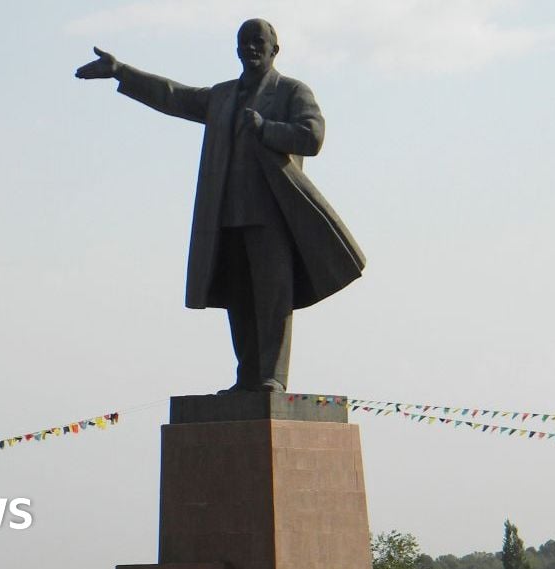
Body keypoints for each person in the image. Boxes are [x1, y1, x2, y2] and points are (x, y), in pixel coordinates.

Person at [75, 19, 364, 393]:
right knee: (239, 300)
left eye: (259, 42)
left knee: (273, 300)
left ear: (275, 50)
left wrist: (266, 128)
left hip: (273, 215)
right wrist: (121, 72)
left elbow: (313, 136)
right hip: (227, 215)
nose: (251, 49)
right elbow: (174, 96)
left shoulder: (292, 91)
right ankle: (248, 378)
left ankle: (272, 377)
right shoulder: (222, 96)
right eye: (244, 43)